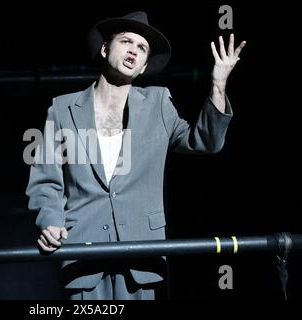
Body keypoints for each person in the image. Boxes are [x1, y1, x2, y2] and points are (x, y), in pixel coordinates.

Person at [26, 11, 245, 300]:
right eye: (126, 41)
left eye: (142, 48)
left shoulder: (158, 103)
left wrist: (218, 86)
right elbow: (45, 179)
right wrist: (50, 220)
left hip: (142, 254)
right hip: (83, 255)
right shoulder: (62, 109)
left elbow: (204, 141)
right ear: (105, 49)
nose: (134, 50)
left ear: (143, 67)